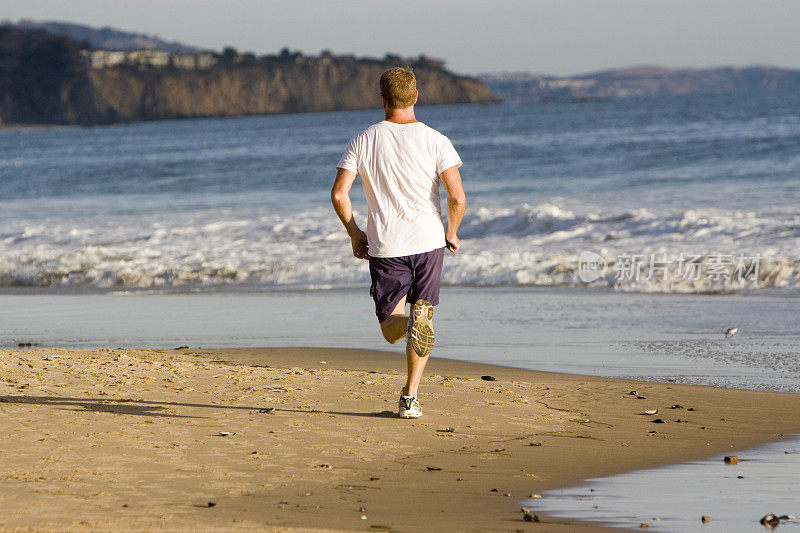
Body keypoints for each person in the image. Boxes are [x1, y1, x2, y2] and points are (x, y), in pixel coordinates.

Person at [331, 67, 466, 419]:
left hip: (387, 245)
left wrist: (355, 233)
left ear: (382, 99)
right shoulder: (436, 139)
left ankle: (409, 326)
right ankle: (410, 396)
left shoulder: (363, 140)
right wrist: (451, 232)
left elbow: (339, 194)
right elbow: (457, 197)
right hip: (429, 242)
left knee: (392, 327)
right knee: (425, 319)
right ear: (416, 96)